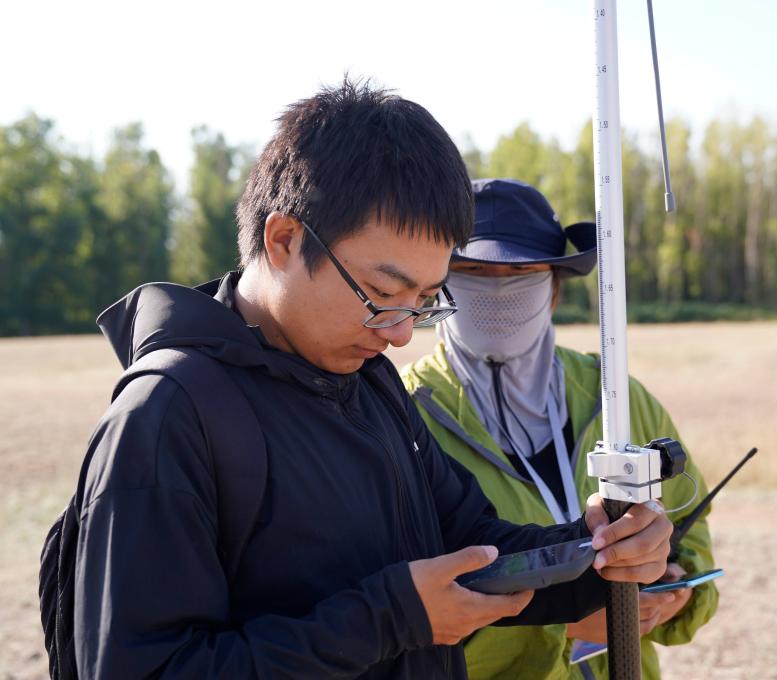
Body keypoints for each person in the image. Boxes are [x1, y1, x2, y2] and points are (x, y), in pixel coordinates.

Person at [70, 82, 675, 679]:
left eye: (425, 301)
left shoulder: (371, 385)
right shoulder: (167, 417)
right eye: (382, 293)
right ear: (283, 240)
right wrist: (390, 618)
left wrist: (595, 553)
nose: (401, 333)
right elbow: (144, 668)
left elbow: (472, 543)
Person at [400, 178, 719, 679]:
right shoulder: (403, 412)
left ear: (553, 289)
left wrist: (674, 588)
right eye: (474, 271)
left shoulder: (616, 397)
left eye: (521, 271)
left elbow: (689, 528)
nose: (497, 289)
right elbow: (400, 607)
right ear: (439, 282)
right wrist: (562, 623)